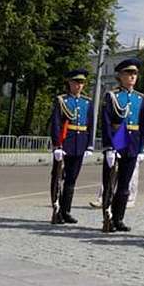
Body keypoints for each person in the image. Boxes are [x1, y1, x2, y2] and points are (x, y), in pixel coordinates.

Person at [100, 58, 144, 232]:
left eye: (134, 73)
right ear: (120, 75)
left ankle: (119, 218)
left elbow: (142, 123)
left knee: (124, 185)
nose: (132, 76)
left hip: (133, 140)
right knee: (110, 182)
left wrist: (141, 147)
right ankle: (108, 218)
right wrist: (109, 147)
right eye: (128, 73)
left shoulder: (140, 97)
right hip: (118, 138)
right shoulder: (112, 96)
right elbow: (106, 122)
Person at [49, 68, 94, 224]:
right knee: (58, 178)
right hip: (65, 142)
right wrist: (57, 145)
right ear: (69, 82)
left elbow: (90, 124)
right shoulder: (62, 100)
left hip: (80, 143)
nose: (79, 85)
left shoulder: (87, 102)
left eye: (81, 83)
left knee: (71, 180)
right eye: (76, 82)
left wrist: (89, 145)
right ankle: (56, 210)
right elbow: (55, 123)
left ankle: (66, 211)